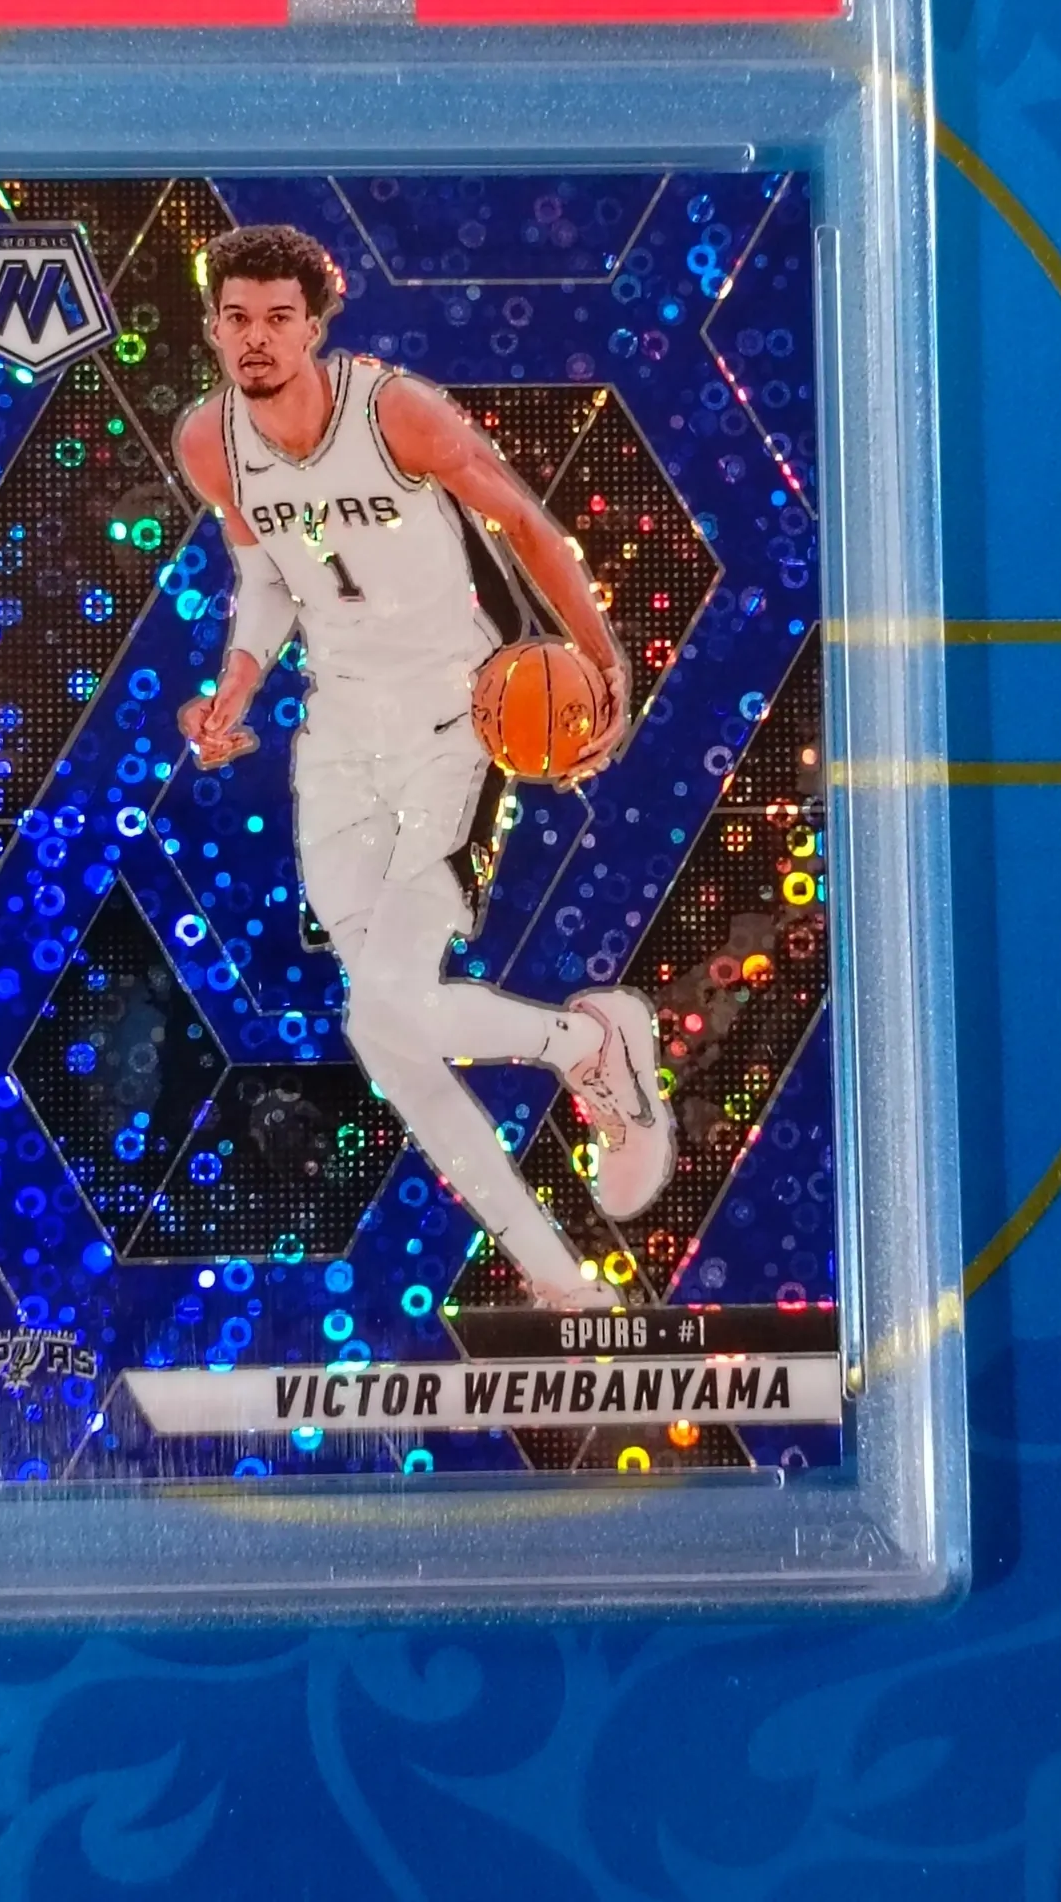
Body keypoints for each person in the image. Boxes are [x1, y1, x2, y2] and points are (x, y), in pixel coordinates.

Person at [174, 222, 675, 1309]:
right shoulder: (210, 442)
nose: (256, 337)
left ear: (315, 325)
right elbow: (268, 581)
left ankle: (582, 1045)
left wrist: (605, 664)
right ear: (212, 326)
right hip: (337, 739)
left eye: (278, 318)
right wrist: (234, 691)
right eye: (237, 317)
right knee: (380, 1027)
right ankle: (559, 1276)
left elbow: (526, 523)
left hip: (457, 720)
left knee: (396, 999)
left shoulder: (394, 410)